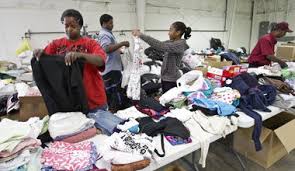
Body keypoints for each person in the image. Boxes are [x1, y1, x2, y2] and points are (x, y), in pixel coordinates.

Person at [33, 9, 123, 135]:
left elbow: (101, 60)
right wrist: (40, 54)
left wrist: (80, 55)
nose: (69, 29)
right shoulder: (57, 45)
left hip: (93, 100)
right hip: (71, 103)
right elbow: (44, 59)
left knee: (106, 135)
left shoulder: (90, 44)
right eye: (66, 26)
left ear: (80, 25)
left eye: (73, 26)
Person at [132, 21, 191, 93]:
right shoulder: (172, 42)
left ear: (178, 32)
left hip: (171, 80)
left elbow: (160, 46)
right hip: (166, 78)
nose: (168, 33)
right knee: (165, 99)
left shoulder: (180, 44)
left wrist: (140, 35)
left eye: (171, 30)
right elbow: (158, 44)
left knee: (169, 101)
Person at [98, 14, 130, 112]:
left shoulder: (108, 33)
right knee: (114, 92)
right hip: (110, 69)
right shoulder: (104, 34)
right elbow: (106, 48)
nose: (112, 25)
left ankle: (117, 110)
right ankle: (116, 112)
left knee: (116, 91)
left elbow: (110, 48)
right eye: (110, 23)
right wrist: (122, 43)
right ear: (104, 23)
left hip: (113, 68)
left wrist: (119, 51)